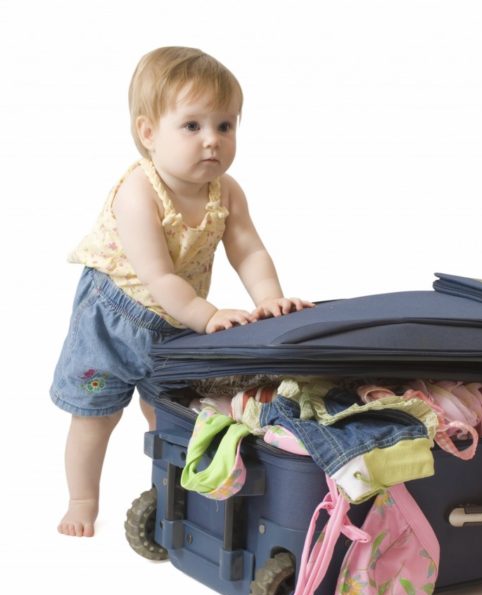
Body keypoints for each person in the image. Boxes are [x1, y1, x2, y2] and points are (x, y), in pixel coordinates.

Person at [50, 46, 313, 537]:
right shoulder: (139, 192)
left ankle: (167, 492)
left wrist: (268, 298)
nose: (212, 141)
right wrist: (206, 315)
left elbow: (249, 251)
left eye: (225, 126)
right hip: (112, 320)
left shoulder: (227, 191)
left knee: (171, 415)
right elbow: (159, 275)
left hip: (174, 325)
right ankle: (82, 499)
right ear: (149, 133)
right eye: (192, 126)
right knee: (94, 415)